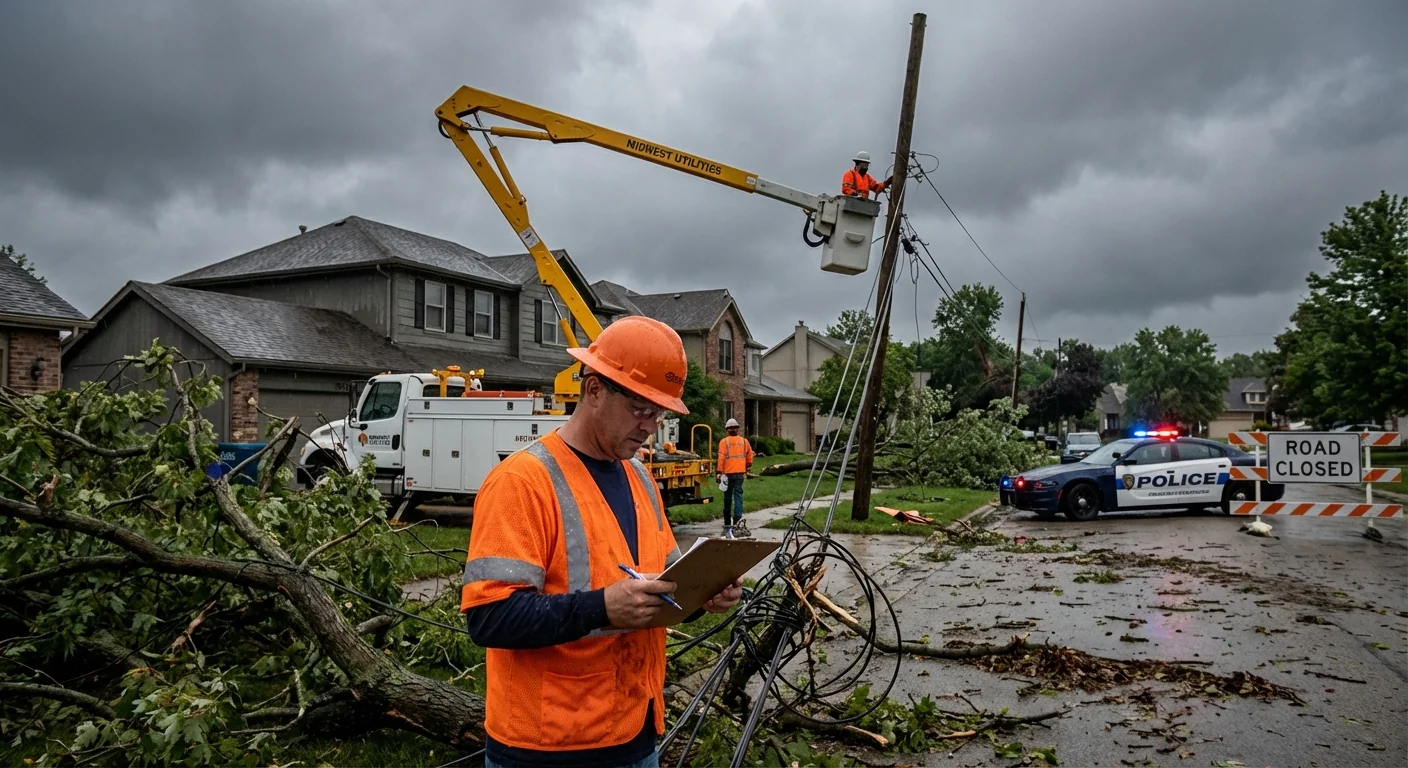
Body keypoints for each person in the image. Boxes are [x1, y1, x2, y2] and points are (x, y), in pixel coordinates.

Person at [461, 315, 744, 768]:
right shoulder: (522, 482)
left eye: (660, 412)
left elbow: (664, 584)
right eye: (640, 409)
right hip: (547, 747)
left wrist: (704, 591)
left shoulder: (639, 478)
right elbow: (489, 619)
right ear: (594, 390)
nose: (651, 425)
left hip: (634, 729)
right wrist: (602, 608)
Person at [716, 417, 754, 539]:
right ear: (737, 429)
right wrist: (747, 466)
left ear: (727, 430)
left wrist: (718, 472)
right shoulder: (744, 441)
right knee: (738, 497)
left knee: (727, 499)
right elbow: (749, 456)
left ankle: (727, 525)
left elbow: (721, 458)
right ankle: (737, 523)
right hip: (739, 474)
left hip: (728, 474)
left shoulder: (724, 442)